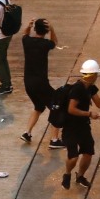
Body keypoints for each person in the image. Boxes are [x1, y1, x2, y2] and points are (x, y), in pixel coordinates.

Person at [62, 59, 100, 189]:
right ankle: (67, 174)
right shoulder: (77, 89)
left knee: (88, 152)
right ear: (92, 75)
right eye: (96, 74)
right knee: (73, 157)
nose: (97, 76)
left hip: (83, 126)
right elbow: (71, 109)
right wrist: (89, 114)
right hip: (70, 127)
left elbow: (98, 102)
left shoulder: (91, 87)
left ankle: (80, 176)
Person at [20, 18, 63, 148]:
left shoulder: (26, 41)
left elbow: (24, 34)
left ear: (35, 29)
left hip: (28, 83)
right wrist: (52, 29)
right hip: (41, 83)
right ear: (46, 31)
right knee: (57, 106)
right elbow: (55, 42)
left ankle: (27, 133)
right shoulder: (45, 44)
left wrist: (28, 26)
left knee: (39, 107)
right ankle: (54, 140)